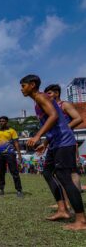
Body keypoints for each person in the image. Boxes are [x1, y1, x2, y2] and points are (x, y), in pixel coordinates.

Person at [20, 74, 86, 231]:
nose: (21, 89)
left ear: (32, 84)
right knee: (47, 172)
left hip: (64, 143)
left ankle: (81, 220)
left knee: (64, 177)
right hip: (55, 143)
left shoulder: (41, 97)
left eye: (23, 86)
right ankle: (62, 210)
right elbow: (52, 123)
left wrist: (37, 136)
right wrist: (45, 142)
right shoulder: (38, 101)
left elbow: (54, 116)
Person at [37, 84, 83, 220]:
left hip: (66, 141)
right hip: (54, 142)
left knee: (71, 173)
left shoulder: (64, 105)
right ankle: (64, 205)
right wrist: (45, 143)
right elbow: (50, 129)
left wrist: (64, 128)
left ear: (57, 93)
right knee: (55, 173)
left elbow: (78, 119)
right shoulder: (47, 107)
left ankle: (74, 205)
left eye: (50, 93)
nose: (47, 96)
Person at [0, 116, 23, 197]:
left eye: (3, 121)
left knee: (14, 172)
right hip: (0, 155)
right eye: (0, 121)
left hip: (10, 154)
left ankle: (19, 190)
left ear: (7, 122)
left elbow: (16, 143)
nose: (1, 122)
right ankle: (1, 189)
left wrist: (19, 154)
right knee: (1, 173)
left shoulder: (12, 131)